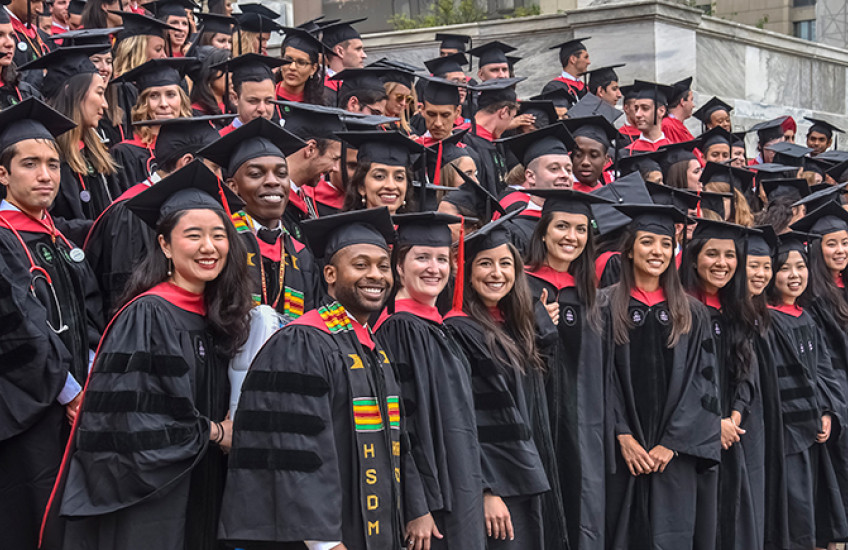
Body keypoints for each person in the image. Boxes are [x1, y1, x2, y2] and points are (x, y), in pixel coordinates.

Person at [42, 162, 251, 550]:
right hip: (153, 497)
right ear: (165, 245)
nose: (209, 247)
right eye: (194, 235)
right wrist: (216, 432)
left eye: (218, 235)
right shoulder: (148, 314)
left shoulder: (222, 316)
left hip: (204, 485)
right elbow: (131, 422)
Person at [220, 207, 411, 549]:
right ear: (330, 274)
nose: (376, 275)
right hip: (321, 536)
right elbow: (290, 448)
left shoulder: (371, 348)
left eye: (383, 266)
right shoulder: (301, 342)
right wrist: (323, 543)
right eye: (361, 264)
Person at [0, 97, 103, 550]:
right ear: (3, 174)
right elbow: (17, 328)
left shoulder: (56, 235)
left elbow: (91, 311)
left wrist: (92, 377)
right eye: (30, 164)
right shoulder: (4, 239)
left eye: (53, 164)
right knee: (34, 519)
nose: (45, 175)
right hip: (30, 410)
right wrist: (70, 390)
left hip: (74, 401)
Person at [603, 203, 721, 548]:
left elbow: (705, 382)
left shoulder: (692, 314)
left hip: (673, 457)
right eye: (647, 242)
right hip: (620, 453)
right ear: (628, 249)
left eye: (665, 244)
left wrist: (672, 443)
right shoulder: (603, 307)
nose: (657, 252)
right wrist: (622, 435)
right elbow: (596, 380)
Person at [444, 213, 556, 549]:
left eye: (505, 264)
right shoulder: (459, 331)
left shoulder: (515, 327)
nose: (497, 273)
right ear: (465, 271)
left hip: (523, 477)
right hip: (496, 486)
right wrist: (487, 489)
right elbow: (466, 419)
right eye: (485, 264)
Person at [374, 211, 485, 550]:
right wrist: (416, 506)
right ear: (398, 267)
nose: (434, 268)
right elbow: (401, 423)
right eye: (421, 258)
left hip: (460, 484)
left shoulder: (438, 328)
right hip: (433, 501)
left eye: (441, 259)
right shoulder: (399, 329)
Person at [522, 189, 610, 550]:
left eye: (579, 229)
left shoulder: (592, 295)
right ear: (543, 231)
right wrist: (530, 325)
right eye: (561, 226)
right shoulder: (519, 286)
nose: (570, 237)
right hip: (536, 418)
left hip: (584, 425)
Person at [84, 115, 232, 314]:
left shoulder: (178, 207)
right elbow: (123, 291)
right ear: (187, 162)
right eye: (214, 168)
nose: (219, 179)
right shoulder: (131, 213)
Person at [761, 231, 846, 549]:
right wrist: (807, 419)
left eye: (800, 266)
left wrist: (828, 412)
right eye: (784, 268)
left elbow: (826, 373)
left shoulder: (807, 315)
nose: (794, 275)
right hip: (786, 439)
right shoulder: (767, 321)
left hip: (814, 436)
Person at [679, 219, 761, 550]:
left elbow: (747, 373)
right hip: (694, 438)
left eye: (729, 255)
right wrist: (714, 424)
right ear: (694, 258)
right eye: (712, 253)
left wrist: (736, 415)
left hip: (733, 434)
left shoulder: (738, 309)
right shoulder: (681, 309)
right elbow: (682, 380)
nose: (722, 263)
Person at [198, 116, 324, 318]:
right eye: (256, 174)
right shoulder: (220, 245)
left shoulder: (300, 255)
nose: (273, 182)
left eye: (282, 173)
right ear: (233, 187)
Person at [789, 203, 848, 547]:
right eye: (831, 244)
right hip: (838, 395)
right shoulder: (812, 297)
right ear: (815, 248)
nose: (840, 250)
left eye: (845, 242)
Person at [110, 57, 194, 190]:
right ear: (143, 103)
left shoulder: (194, 146)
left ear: (182, 101)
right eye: (154, 96)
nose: (164, 104)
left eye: (171, 95)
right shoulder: (125, 153)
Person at [498, 123, 576, 254]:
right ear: (530, 176)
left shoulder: (578, 224)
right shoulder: (514, 230)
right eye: (554, 169)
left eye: (568, 170)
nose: (565, 175)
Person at [340, 130, 427, 215]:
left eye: (399, 178)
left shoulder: (413, 229)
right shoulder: (350, 229)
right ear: (361, 186)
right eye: (379, 176)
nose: (391, 186)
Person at [464, 77, 522, 195]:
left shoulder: (492, 141)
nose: (509, 124)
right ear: (504, 112)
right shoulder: (464, 140)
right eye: (512, 117)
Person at [216, 53, 285, 135]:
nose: (262, 109)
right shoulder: (220, 142)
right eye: (253, 101)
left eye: (268, 101)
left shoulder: (281, 140)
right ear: (235, 98)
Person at [563, 114, 619, 193]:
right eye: (578, 155)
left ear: (606, 160)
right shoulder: (562, 193)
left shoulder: (610, 194)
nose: (585, 162)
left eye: (594, 156)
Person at [320, 18, 367, 104]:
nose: (364, 56)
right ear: (340, 51)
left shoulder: (360, 85)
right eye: (358, 49)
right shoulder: (323, 90)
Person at [624, 80, 674, 153]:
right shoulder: (626, 154)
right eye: (636, 109)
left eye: (645, 108)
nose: (637, 114)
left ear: (661, 111)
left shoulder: (674, 152)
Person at [187, 45, 231, 124]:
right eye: (226, 69)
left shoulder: (233, 108)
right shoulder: (195, 116)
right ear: (208, 74)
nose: (231, 74)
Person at [662, 77, 695, 144]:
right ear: (682, 102)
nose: (693, 105)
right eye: (691, 100)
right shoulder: (668, 126)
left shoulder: (679, 126)